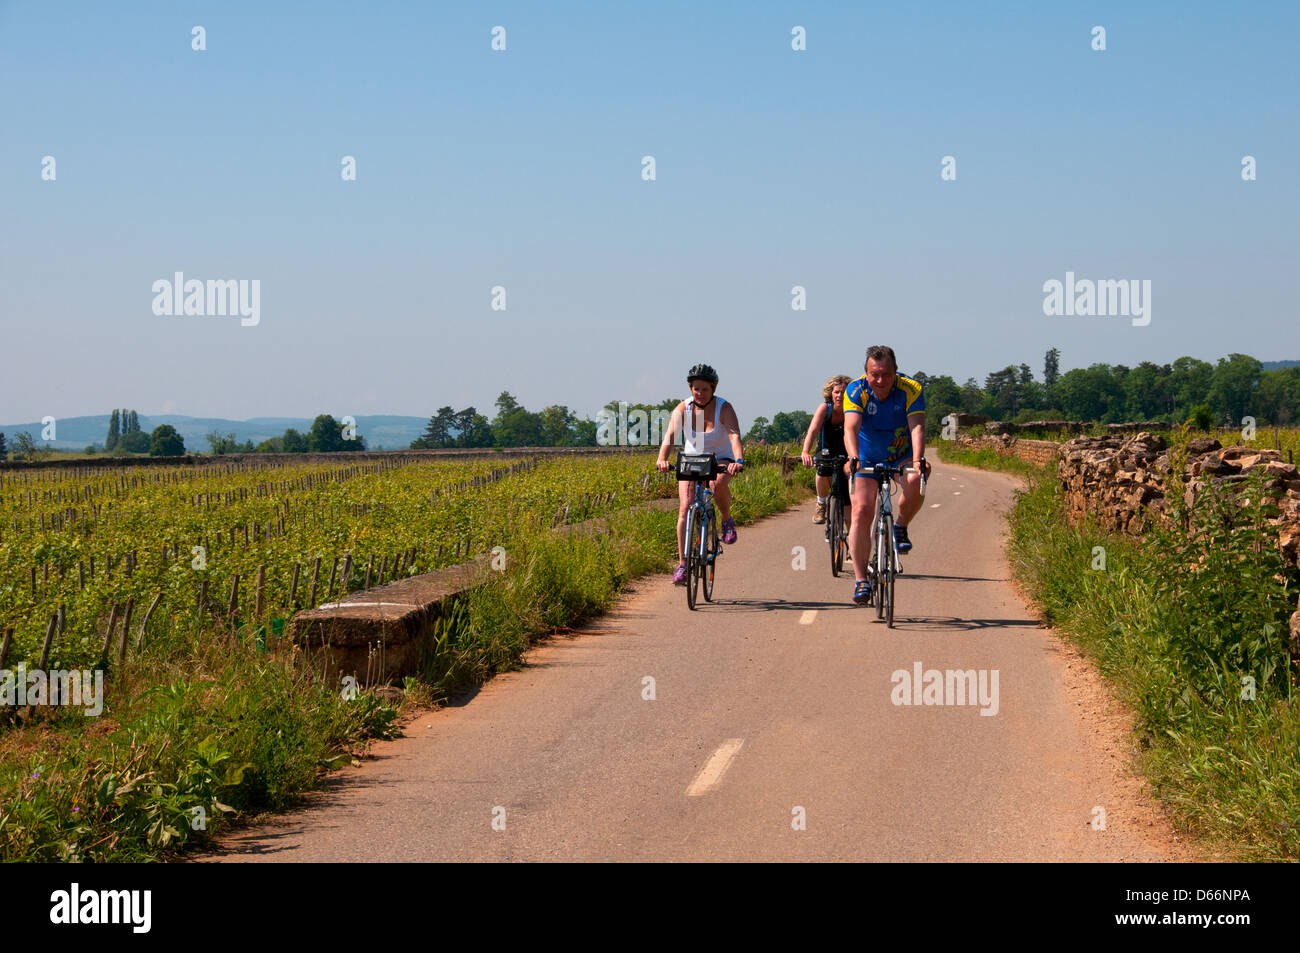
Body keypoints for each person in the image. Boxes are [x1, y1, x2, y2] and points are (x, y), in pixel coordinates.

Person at [843, 345, 928, 605]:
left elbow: (917, 428)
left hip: (900, 453)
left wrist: (918, 460)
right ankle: (861, 581)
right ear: (866, 373)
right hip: (867, 457)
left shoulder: (911, 390)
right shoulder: (856, 390)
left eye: (886, 375)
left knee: (915, 480)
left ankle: (900, 526)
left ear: (896, 372)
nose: (880, 381)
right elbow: (851, 427)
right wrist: (854, 458)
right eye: (874, 375)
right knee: (861, 512)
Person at [656, 364, 745, 585]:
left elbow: (734, 435)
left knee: (717, 485)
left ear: (713, 389)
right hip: (692, 459)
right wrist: (662, 459)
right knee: (685, 508)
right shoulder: (683, 408)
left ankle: (726, 521)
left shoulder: (724, 408)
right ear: (690, 388)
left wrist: (739, 460)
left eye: (705, 389)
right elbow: (670, 436)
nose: (700, 393)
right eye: (696, 389)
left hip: (720, 458)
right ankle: (683, 565)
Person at [800, 375, 854, 533]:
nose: (840, 396)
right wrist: (805, 451)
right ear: (831, 393)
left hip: (846, 451)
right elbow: (812, 431)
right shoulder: (825, 408)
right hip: (826, 450)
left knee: (848, 507)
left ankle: (852, 545)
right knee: (822, 469)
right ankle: (821, 503)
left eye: (844, 392)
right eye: (837, 392)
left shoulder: (852, 410)